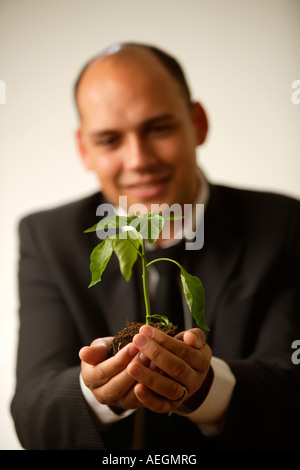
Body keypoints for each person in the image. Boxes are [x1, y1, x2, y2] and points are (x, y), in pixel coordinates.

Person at [11, 42, 300, 450]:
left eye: (158, 128)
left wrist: (205, 388)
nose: (138, 160)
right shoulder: (48, 237)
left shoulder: (283, 224)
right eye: (109, 140)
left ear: (197, 123)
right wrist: (95, 393)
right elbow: (33, 412)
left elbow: (292, 391)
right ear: (83, 149)